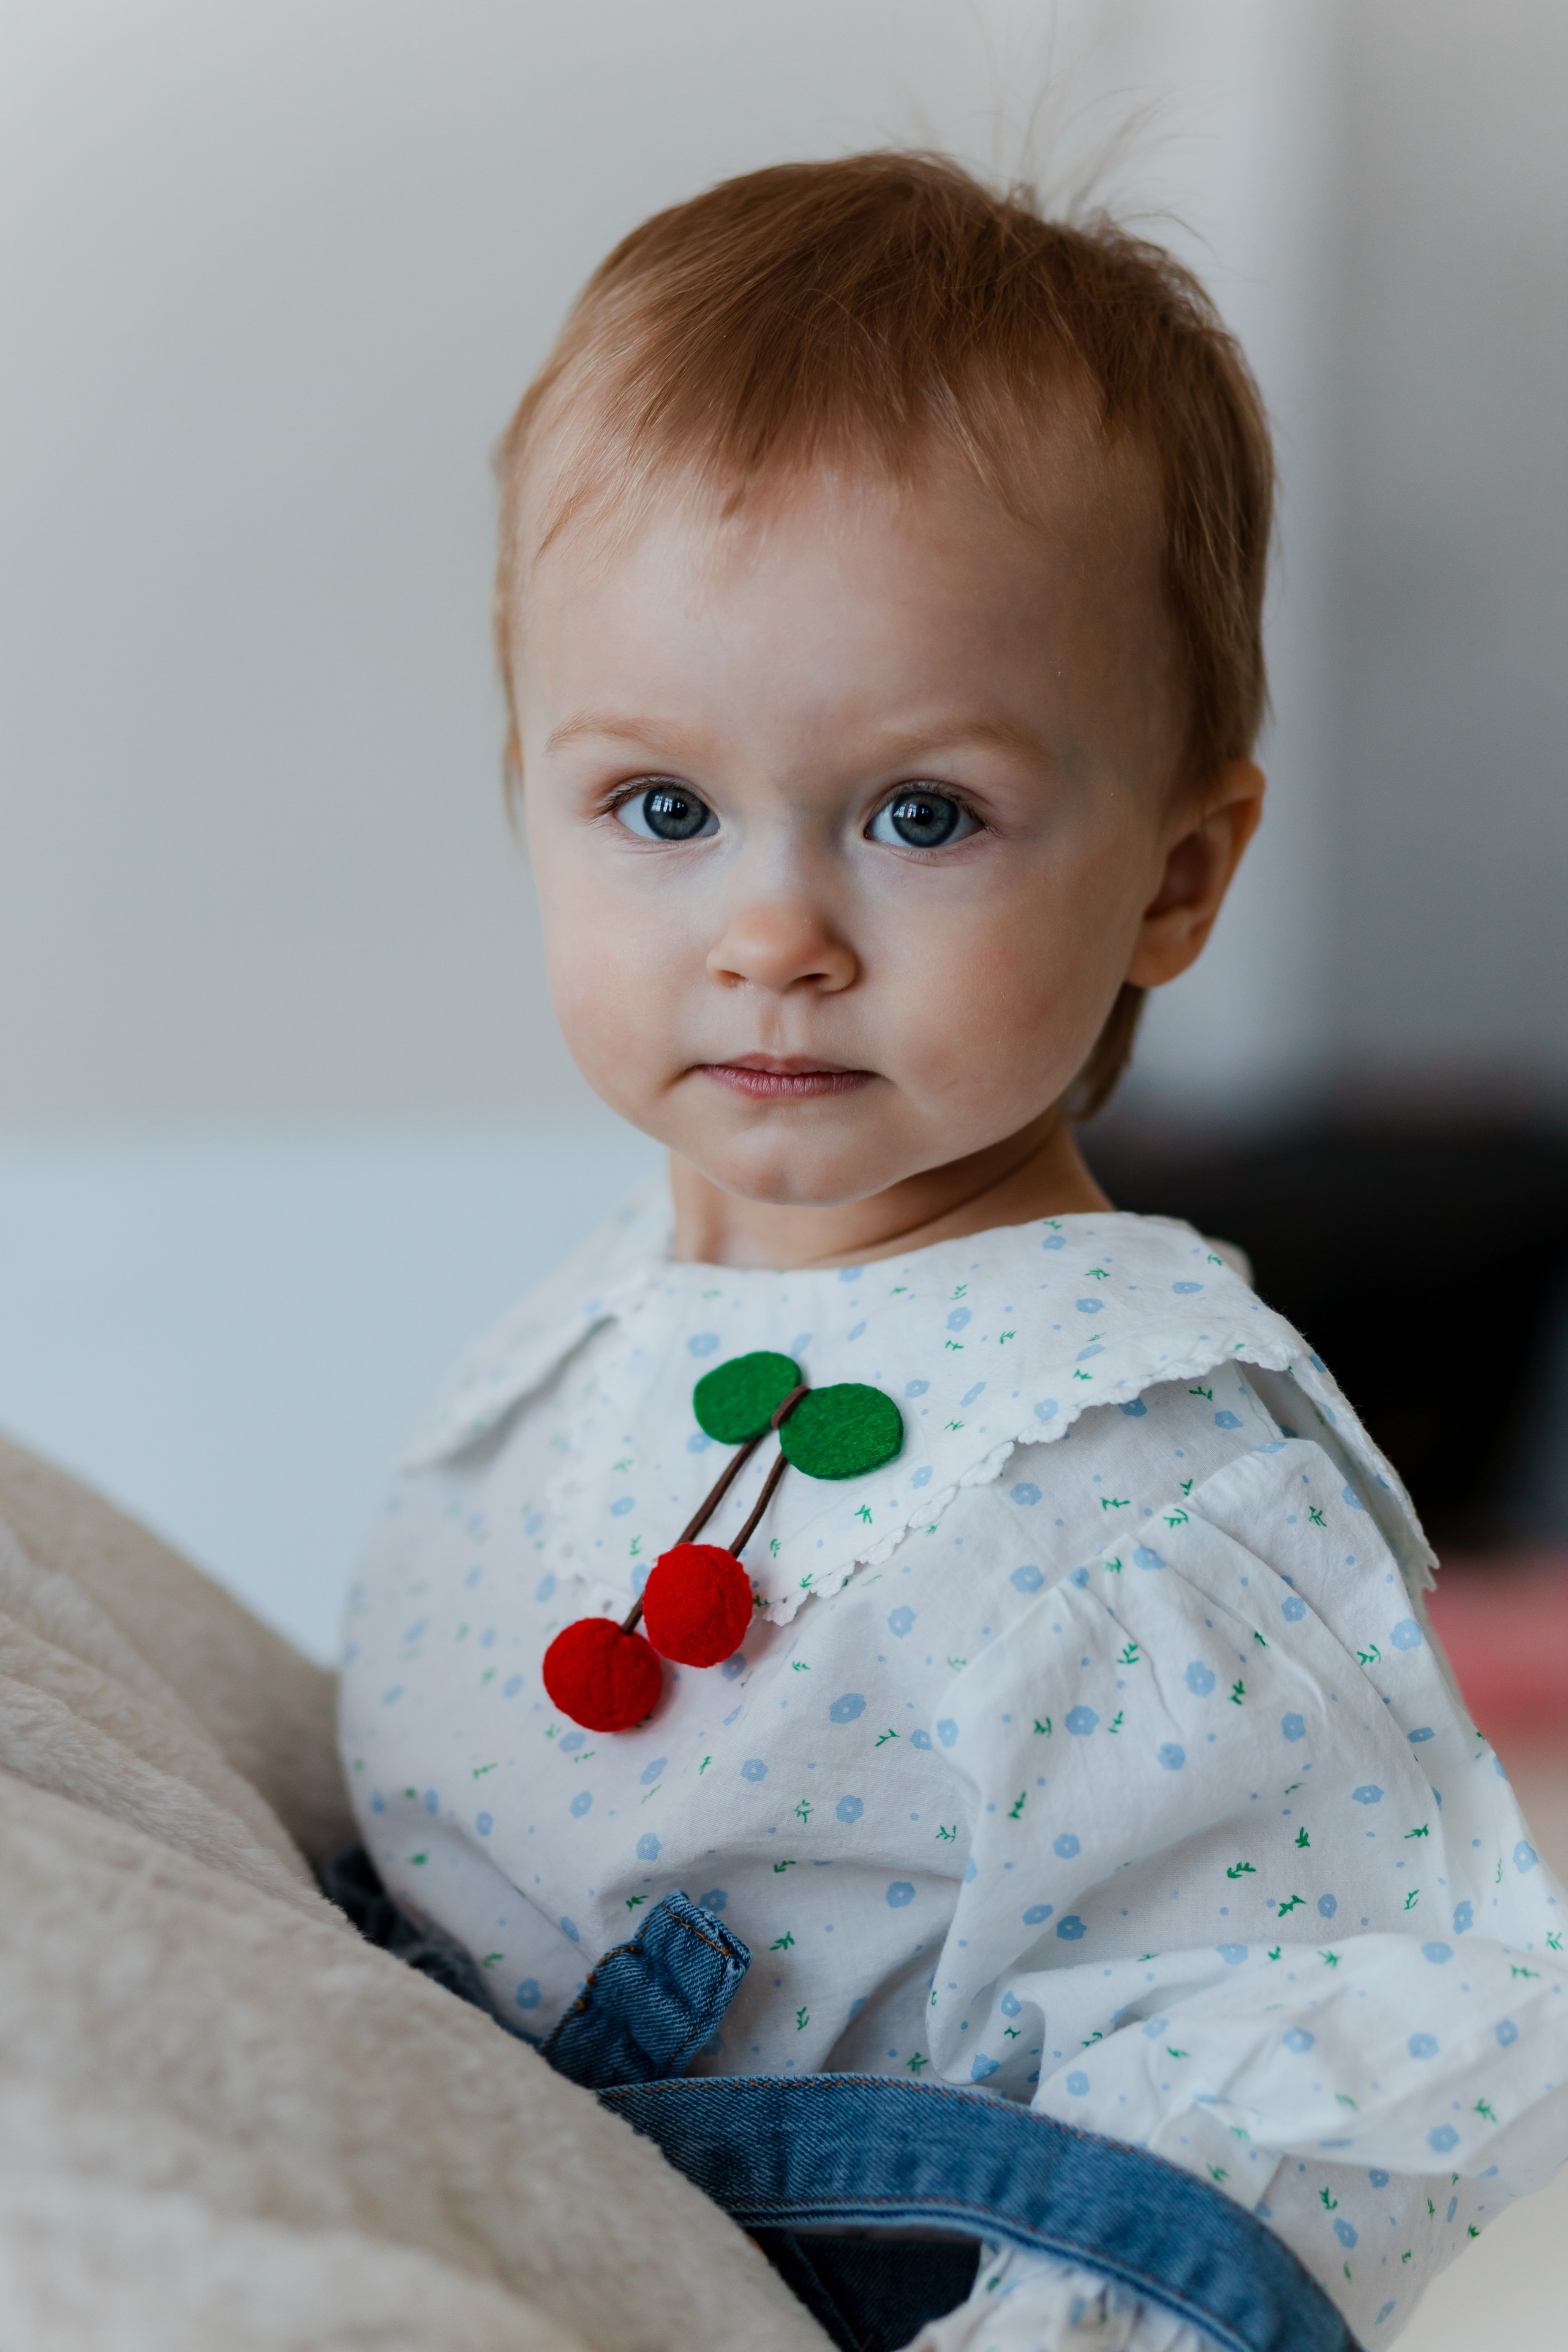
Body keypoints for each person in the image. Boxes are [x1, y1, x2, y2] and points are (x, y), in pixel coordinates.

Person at [337, 153, 1566, 2351]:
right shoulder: (629, 1290)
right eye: (661, 809)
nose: (773, 938)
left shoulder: (1139, 1498)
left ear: (1177, 878)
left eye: (923, 816)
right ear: (526, 783)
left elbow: (1279, 2073)